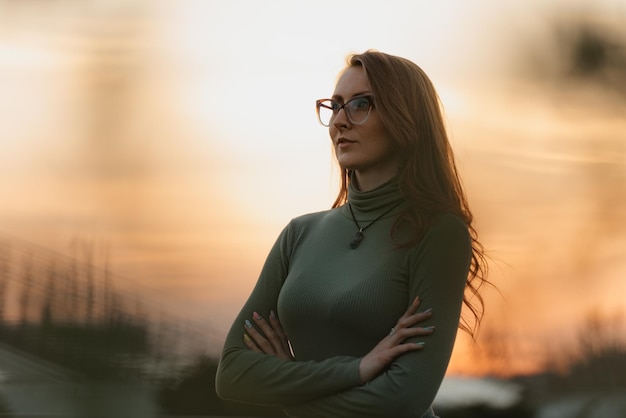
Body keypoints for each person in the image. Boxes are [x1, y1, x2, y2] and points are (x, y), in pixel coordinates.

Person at [215, 50, 489, 417]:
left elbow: (404, 399)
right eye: (335, 105)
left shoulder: (439, 233)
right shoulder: (299, 234)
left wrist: (288, 387)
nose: (340, 121)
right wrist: (357, 370)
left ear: (405, 117)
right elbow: (232, 373)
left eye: (361, 104)